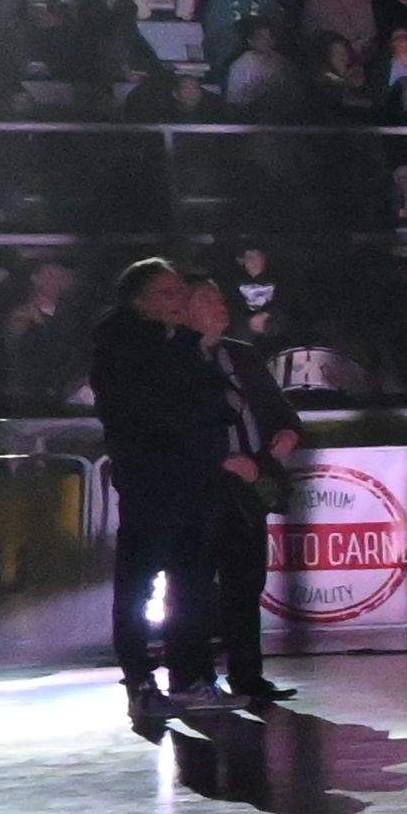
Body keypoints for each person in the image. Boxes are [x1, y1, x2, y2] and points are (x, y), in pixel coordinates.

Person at [87, 255, 231, 728]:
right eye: (167, 294)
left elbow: (213, 405)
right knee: (139, 584)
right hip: (151, 480)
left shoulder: (184, 344)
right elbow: (152, 407)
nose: (179, 302)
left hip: (193, 479)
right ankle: (140, 682)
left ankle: (189, 677)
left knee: (191, 584)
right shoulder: (120, 343)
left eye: (180, 293)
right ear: (139, 299)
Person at [194, 276, 304, 710]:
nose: (221, 306)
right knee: (199, 584)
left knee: (245, 582)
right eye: (209, 300)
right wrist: (219, 461)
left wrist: (286, 437)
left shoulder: (242, 355)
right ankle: (198, 676)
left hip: (249, 484)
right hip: (205, 484)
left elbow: (281, 412)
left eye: (222, 299)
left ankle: (247, 675)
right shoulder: (181, 359)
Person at [0, 256, 85, 418]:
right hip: (27, 399)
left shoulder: (74, 316)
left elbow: (77, 354)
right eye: (49, 275)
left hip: (65, 398)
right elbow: (9, 354)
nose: (54, 281)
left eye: (60, 276)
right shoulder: (19, 314)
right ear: (35, 279)